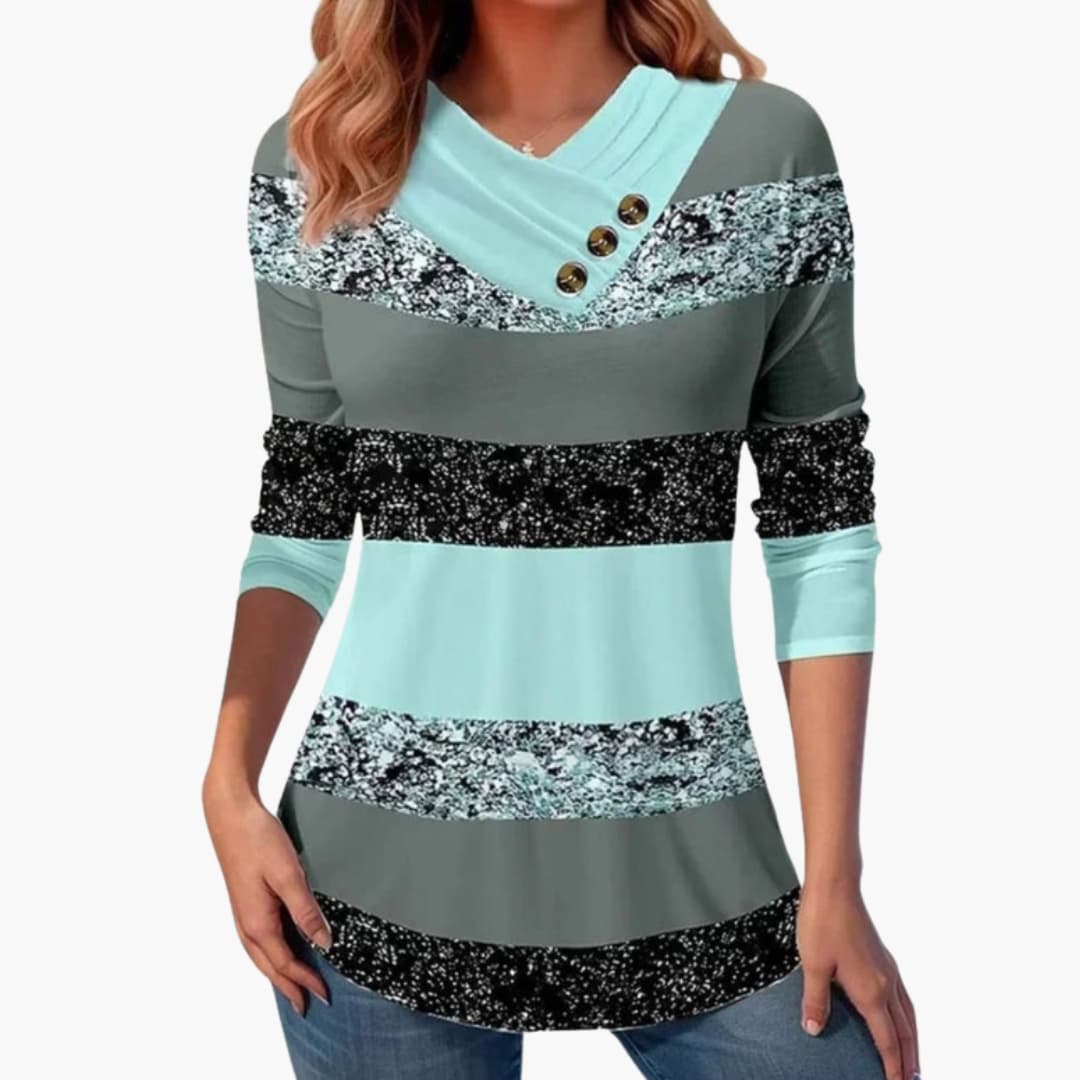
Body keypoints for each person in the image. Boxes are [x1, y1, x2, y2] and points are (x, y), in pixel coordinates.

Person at [203, 2, 920, 1078]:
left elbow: (822, 532)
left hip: (698, 868)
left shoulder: (764, 151)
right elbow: (301, 514)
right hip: (369, 885)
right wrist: (228, 784)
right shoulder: (326, 160)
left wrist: (835, 877)